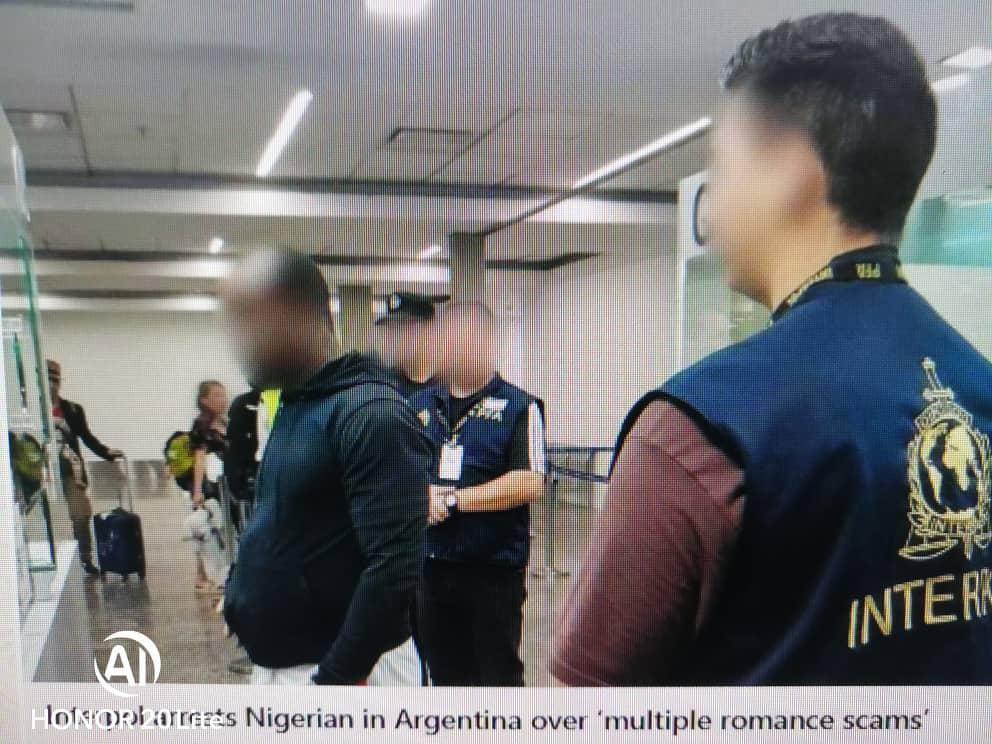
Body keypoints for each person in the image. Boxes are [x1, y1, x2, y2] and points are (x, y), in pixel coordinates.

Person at [551, 13, 992, 686]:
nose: (712, 208)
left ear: (791, 171)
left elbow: (590, 705)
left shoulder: (695, 428)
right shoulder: (979, 385)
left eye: (722, 168)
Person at [221, 248, 430, 686]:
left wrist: (336, 681)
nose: (240, 343)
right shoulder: (298, 403)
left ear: (305, 317)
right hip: (291, 665)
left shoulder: (370, 412)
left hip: (348, 673)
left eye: (252, 324)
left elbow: (394, 569)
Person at [411, 302, 546, 686]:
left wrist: (455, 500)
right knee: (443, 673)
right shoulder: (419, 405)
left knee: (496, 675)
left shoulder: (520, 407)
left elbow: (530, 481)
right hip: (432, 565)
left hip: (491, 569)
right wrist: (421, 495)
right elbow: (398, 468)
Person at [46, 359, 123, 576]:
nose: (52, 385)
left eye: (55, 380)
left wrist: (106, 452)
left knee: (81, 514)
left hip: (70, 470)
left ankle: (85, 557)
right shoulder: (31, 412)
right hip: (41, 472)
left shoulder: (72, 410)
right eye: (48, 380)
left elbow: (86, 437)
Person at [186, 380, 229, 594]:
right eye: (217, 395)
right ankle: (206, 575)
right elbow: (200, 458)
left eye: (224, 395)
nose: (223, 400)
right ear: (204, 400)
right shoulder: (201, 426)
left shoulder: (226, 422)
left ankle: (216, 573)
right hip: (209, 485)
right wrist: (197, 490)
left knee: (220, 528)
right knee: (207, 528)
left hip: (224, 483)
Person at [375, 291, 440, 398]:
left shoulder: (448, 388)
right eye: (391, 327)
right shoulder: (382, 387)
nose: (396, 335)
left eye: (405, 326)